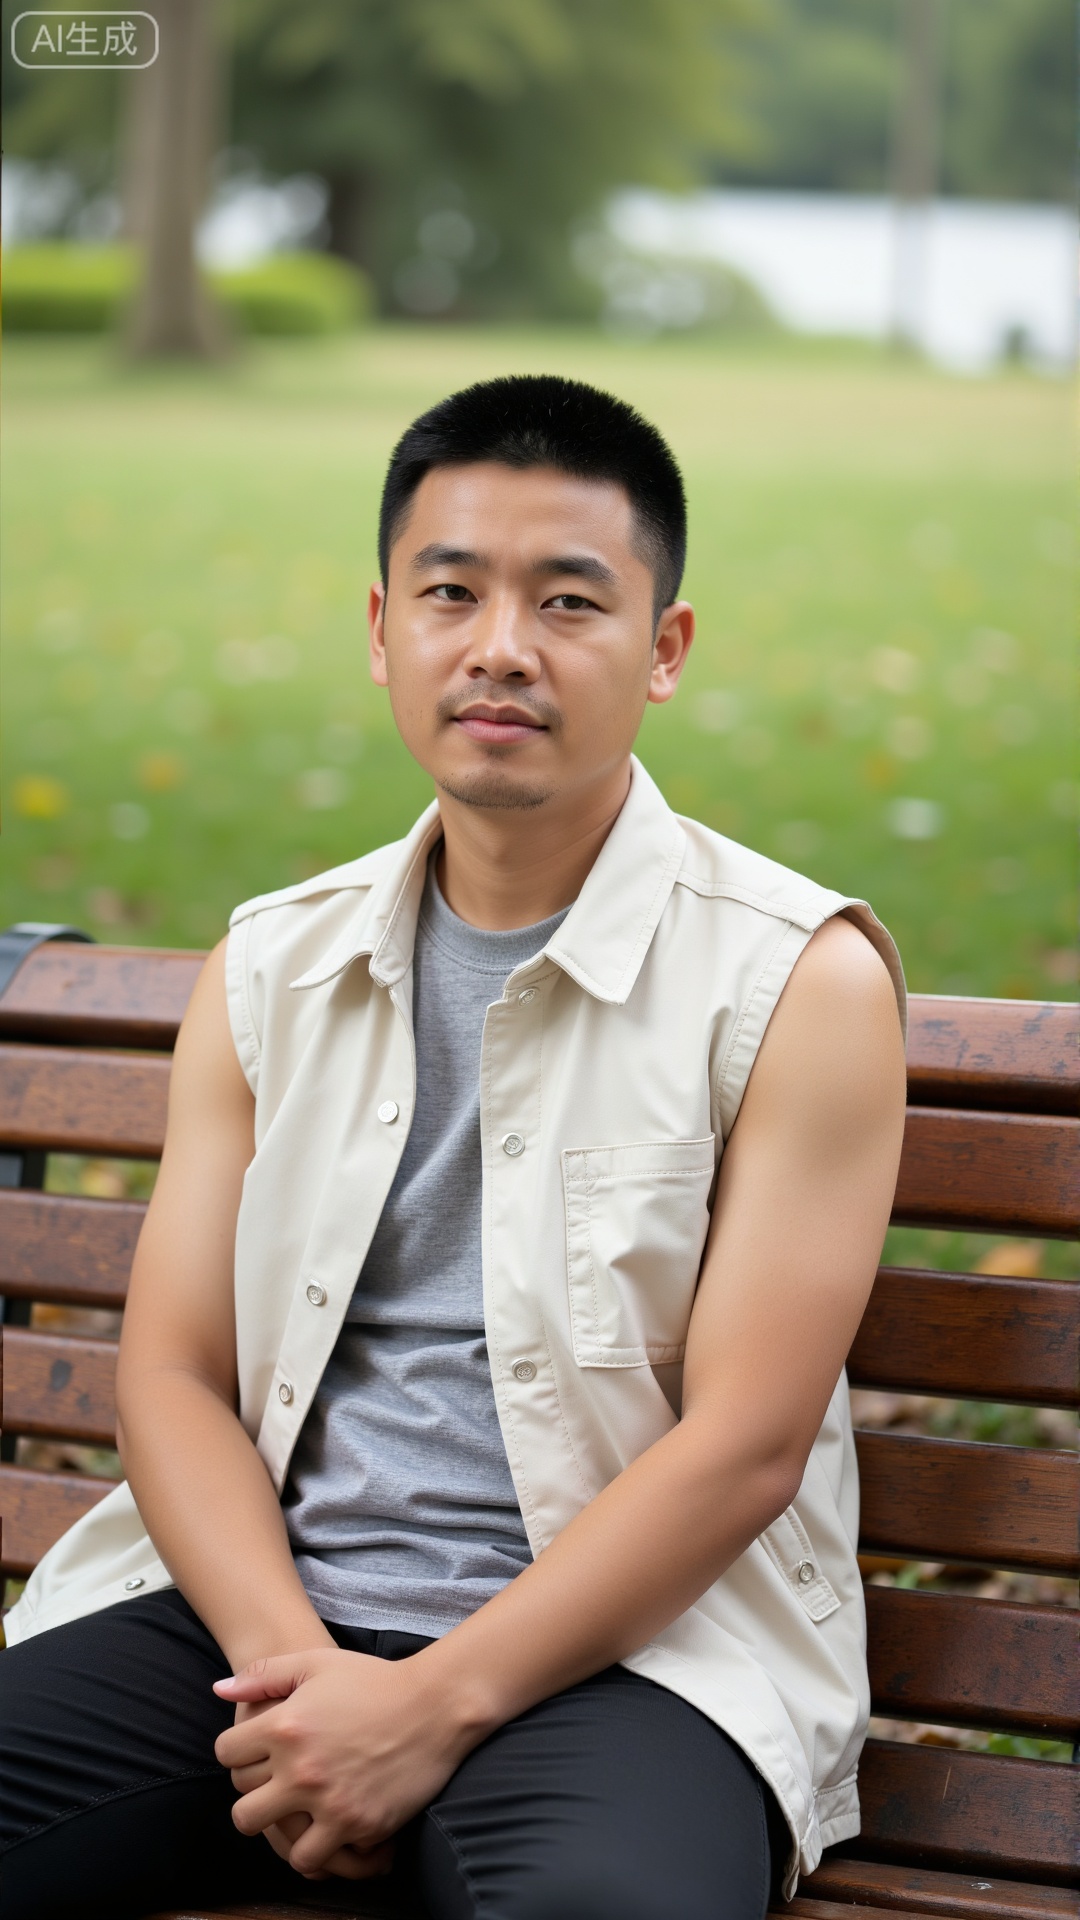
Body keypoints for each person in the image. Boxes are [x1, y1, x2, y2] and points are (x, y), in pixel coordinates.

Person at [1, 375, 907, 1920]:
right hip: (260, 1619)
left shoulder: (794, 982)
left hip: (640, 1657)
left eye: (569, 600)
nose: (501, 646)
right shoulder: (271, 969)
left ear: (663, 649)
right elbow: (168, 1375)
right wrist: (303, 1690)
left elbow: (746, 1446)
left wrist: (427, 1710)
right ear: (382, 630)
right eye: (450, 592)